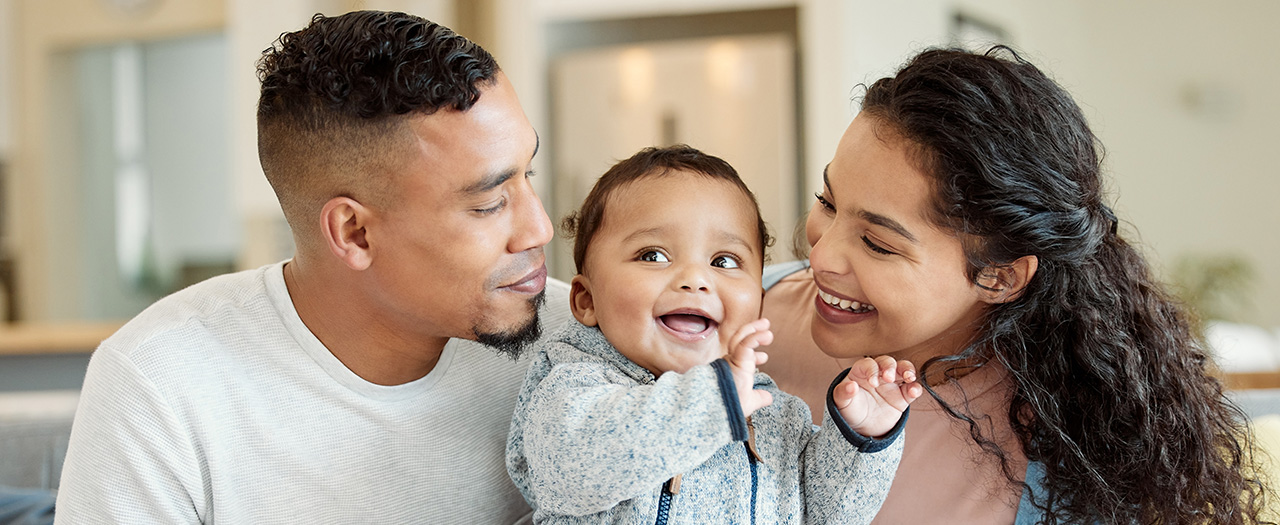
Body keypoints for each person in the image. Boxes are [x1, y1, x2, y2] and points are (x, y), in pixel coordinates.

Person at [55, 11, 571, 524]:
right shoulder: (160, 382)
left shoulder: (581, 342)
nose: (540, 229)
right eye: (488, 203)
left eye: (528, 174)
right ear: (354, 233)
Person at [758, 47, 1270, 524]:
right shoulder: (732, 312)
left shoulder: (1063, 458)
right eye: (827, 202)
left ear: (999, 277)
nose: (819, 255)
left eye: (877, 243)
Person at [506, 145, 921, 524]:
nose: (695, 279)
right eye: (654, 255)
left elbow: (828, 515)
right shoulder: (576, 392)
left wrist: (860, 437)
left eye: (724, 260)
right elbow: (571, 473)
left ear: (758, 303)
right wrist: (711, 405)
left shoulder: (773, 412)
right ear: (586, 300)